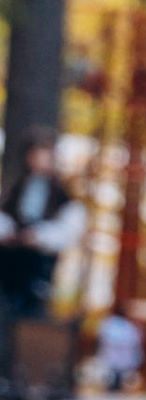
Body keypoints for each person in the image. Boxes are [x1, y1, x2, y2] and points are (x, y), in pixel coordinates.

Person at [0, 136, 81, 319]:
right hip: (8, 257)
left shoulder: (62, 194)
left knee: (27, 311)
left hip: (38, 263)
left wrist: (39, 236)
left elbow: (69, 229)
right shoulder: (15, 186)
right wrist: (7, 232)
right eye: (34, 155)